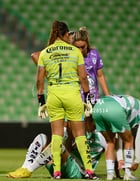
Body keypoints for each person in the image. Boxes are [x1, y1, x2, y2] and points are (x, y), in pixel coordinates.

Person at [36, 20, 96, 179]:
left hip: (54, 95)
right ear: (64, 34)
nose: (70, 37)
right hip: (72, 94)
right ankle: (90, 170)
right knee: (80, 135)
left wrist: (41, 101)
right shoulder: (75, 51)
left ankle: (56, 172)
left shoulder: (45, 52)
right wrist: (88, 98)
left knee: (56, 135)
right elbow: (83, 77)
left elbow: (39, 80)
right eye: (69, 34)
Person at [92, 95, 140, 180]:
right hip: (114, 108)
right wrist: (136, 161)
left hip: (98, 107)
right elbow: (139, 137)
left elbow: (120, 136)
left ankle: (110, 175)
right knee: (130, 139)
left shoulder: (132, 110)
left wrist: (120, 159)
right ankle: (127, 175)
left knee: (110, 142)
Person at [71, 27, 110, 103]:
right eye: (77, 47)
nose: (80, 50)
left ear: (87, 44)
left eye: (82, 47)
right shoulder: (70, 57)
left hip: (93, 99)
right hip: (76, 101)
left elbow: (100, 75)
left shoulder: (94, 54)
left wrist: (107, 95)